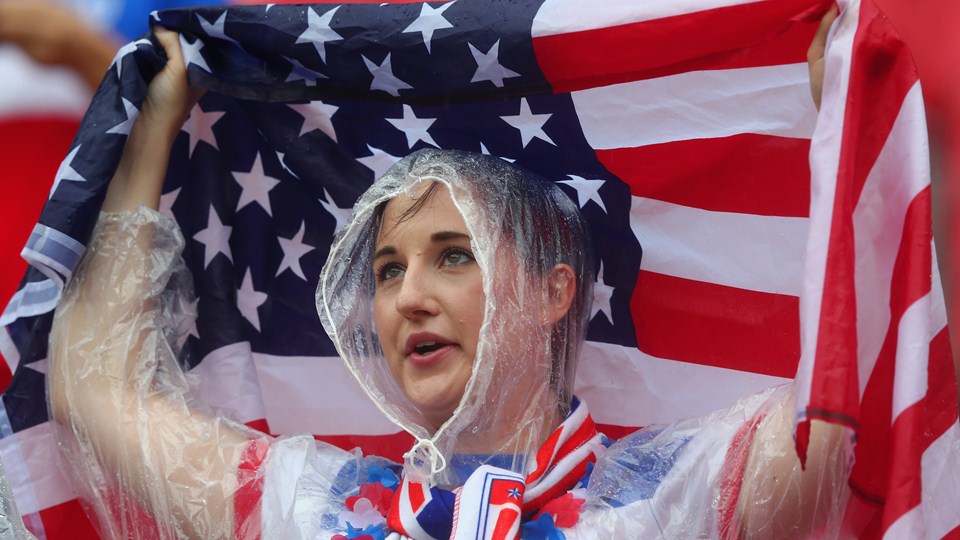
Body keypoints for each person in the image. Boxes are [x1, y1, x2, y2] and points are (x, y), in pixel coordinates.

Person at [46, 9, 849, 540]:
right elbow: (94, 395)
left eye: (453, 256)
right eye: (387, 269)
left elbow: (856, 403)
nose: (408, 299)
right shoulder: (321, 510)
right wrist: (150, 130)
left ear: (552, 291)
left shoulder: (673, 502)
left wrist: (854, 117)